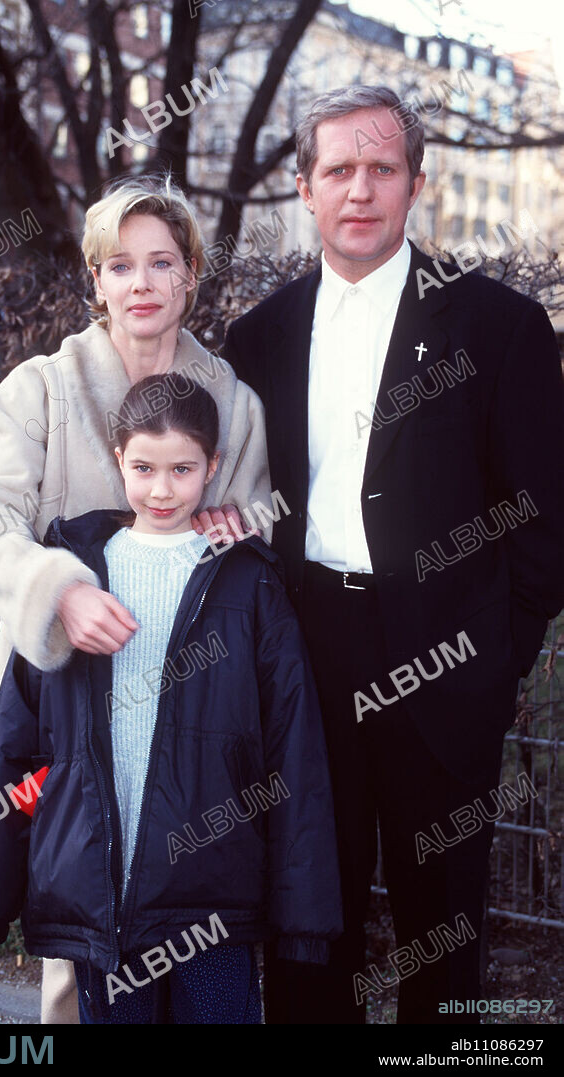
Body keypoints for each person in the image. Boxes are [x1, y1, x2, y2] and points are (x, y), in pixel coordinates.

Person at [222, 85, 564, 1024]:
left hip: (447, 656)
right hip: (305, 649)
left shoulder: (498, 327)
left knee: (441, 925)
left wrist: (497, 653)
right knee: (306, 915)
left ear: (418, 182)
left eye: (382, 168)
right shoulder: (257, 338)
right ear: (304, 187)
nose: (359, 189)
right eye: (338, 169)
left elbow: (543, 521)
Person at [0, 175, 273, 1023]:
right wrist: (57, 593)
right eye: (119, 264)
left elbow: (258, 547)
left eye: (161, 262)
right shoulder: (39, 390)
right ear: (95, 279)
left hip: (191, 727)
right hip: (63, 711)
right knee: (74, 936)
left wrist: (244, 523)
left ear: (191, 273)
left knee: (200, 946)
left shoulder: (233, 404)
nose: (141, 283)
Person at [0, 374, 342, 1025]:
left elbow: (295, 752)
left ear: (212, 466)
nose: (163, 488)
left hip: (215, 909)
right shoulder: (74, 573)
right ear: (118, 459)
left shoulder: (250, 584)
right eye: (145, 467)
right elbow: (14, 744)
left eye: (183, 468)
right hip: (107, 909)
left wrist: (304, 913)